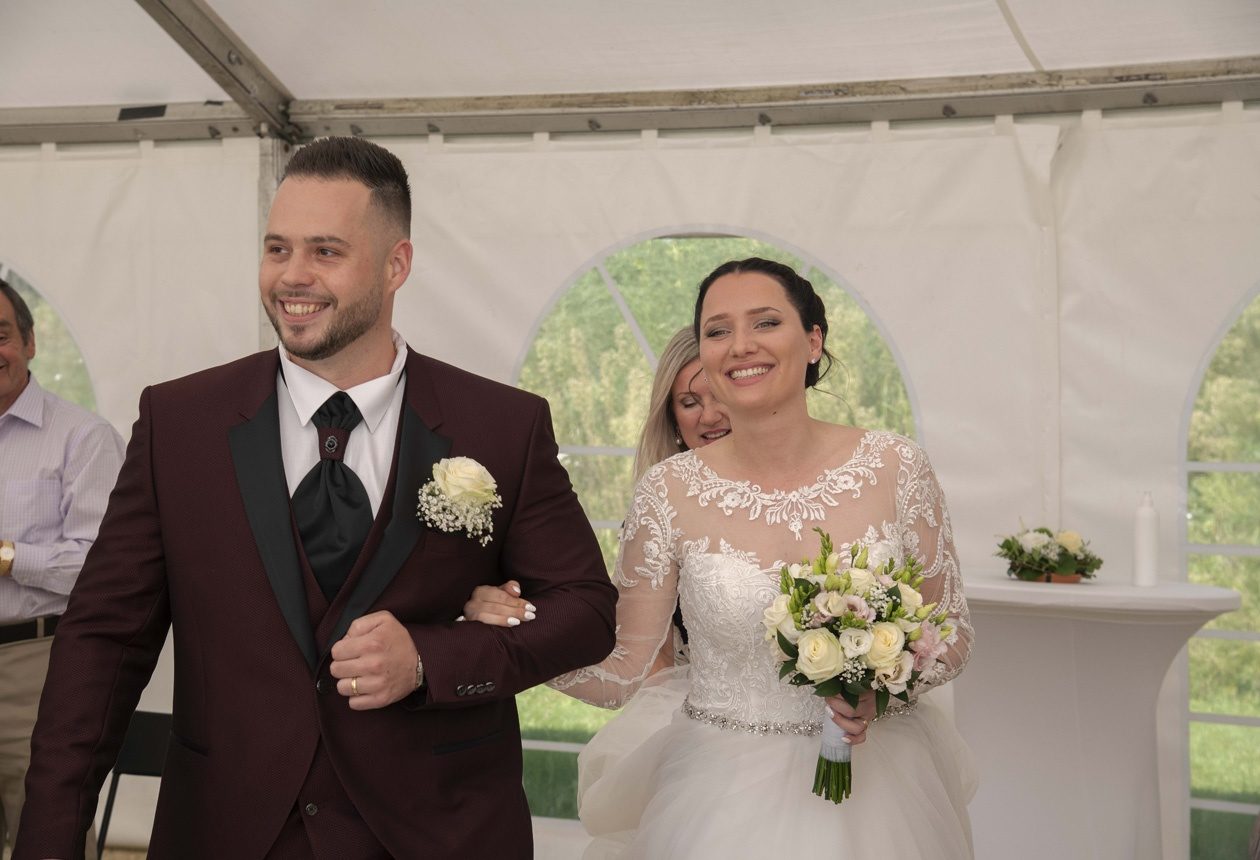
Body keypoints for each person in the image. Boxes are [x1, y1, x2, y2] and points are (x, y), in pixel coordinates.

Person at [14, 137, 617, 860]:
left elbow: (587, 611)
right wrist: (49, 841)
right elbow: (104, 641)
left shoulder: (501, 424)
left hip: (439, 832)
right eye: (277, 249)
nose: (292, 276)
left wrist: (431, 658)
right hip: (227, 832)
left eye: (326, 251)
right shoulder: (180, 424)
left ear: (396, 265)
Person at [480, 258, 975, 858]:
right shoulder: (667, 492)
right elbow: (625, 669)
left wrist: (884, 689)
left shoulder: (897, 467)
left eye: (765, 322)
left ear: (813, 341)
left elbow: (951, 634)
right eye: (718, 330)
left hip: (884, 792)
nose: (741, 345)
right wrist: (509, 629)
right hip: (718, 799)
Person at [0, 278, 124, 859]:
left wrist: (6, 557)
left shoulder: (83, 437)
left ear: (29, 342)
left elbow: (105, 568)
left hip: (35, 667)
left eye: (0, 334)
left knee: (46, 836)